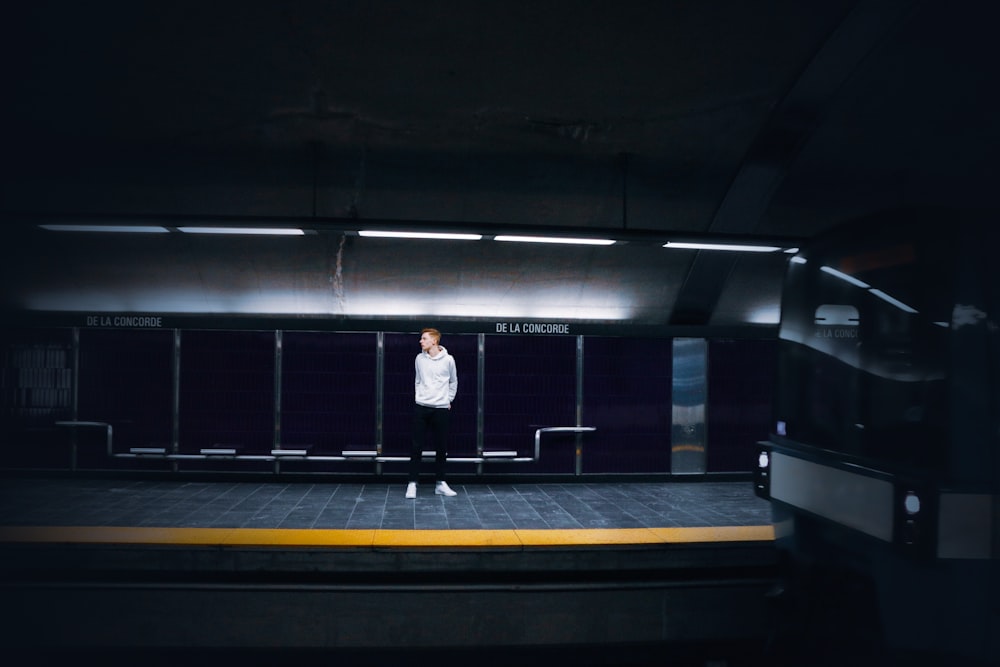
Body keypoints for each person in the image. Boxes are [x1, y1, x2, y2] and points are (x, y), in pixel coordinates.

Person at [406, 328, 458, 498]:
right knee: (416, 446)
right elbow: (417, 380)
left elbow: (453, 381)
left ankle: (440, 484)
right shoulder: (419, 359)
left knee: (441, 447)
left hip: (441, 408)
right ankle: (412, 483)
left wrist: (448, 400)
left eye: (424, 338)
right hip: (421, 406)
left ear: (434, 341)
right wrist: (418, 397)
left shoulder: (449, 360)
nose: (421, 341)